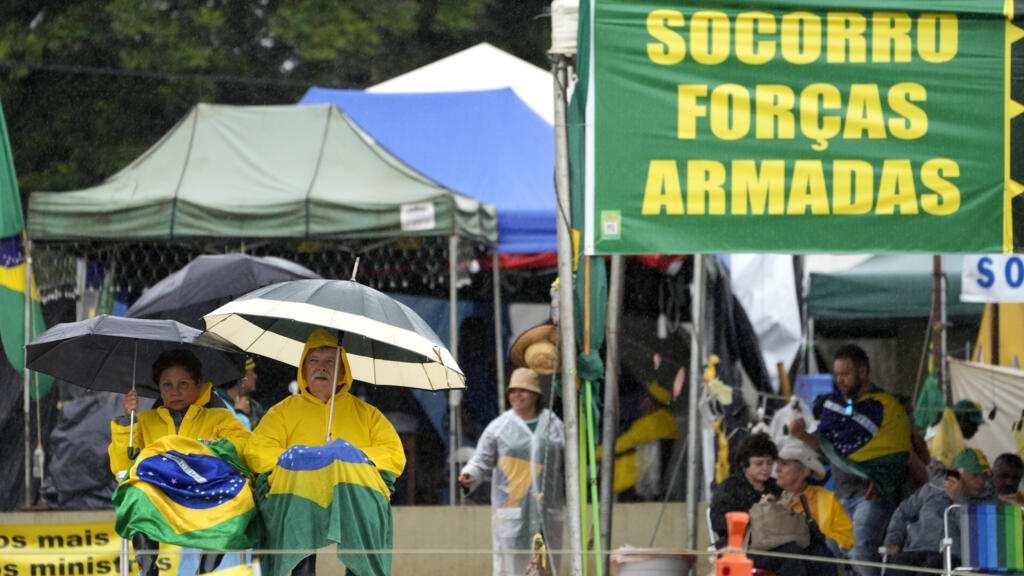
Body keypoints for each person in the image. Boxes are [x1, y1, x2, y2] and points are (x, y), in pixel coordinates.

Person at [244, 329, 405, 576]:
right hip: (299, 498)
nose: (322, 368)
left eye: (330, 361)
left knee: (363, 503)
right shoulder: (282, 412)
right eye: (314, 361)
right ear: (303, 369)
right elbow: (256, 452)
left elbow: (393, 455)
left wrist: (346, 456)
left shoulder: (367, 414)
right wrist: (303, 459)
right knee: (297, 504)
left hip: (351, 497)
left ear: (343, 371)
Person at [108, 348, 252, 576]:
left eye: (183, 384)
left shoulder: (221, 417)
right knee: (135, 492)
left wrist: (203, 451)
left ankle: (204, 572)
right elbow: (122, 467)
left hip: (206, 490)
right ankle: (148, 570)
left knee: (239, 496)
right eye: (167, 385)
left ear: (197, 384)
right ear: (159, 388)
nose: (175, 391)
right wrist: (128, 421)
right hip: (162, 494)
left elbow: (242, 450)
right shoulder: (143, 420)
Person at [790, 344, 910, 576]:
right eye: (837, 375)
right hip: (842, 494)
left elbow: (899, 455)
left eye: (845, 374)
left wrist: (883, 478)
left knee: (861, 551)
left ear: (863, 372)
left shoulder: (888, 407)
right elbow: (828, 449)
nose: (840, 380)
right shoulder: (834, 406)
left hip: (872, 495)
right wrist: (803, 435)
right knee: (829, 553)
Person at [459, 368, 565, 576]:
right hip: (513, 512)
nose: (517, 395)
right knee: (512, 569)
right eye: (512, 391)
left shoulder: (554, 424)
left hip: (548, 511)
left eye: (523, 390)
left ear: (536, 394)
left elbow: (571, 459)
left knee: (547, 567)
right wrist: (470, 474)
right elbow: (481, 460)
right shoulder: (499, 427)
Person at [881, 448, 997, 576]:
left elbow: (975, 534)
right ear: (957, 474)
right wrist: (894, 539)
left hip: (955, 557)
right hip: (916, 549)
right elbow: (903, 512)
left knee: (933, 566)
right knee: (897, 567)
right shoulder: (933, 489)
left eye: (984, 475)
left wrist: (959, 499)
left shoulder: (989, 500)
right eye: (975, 475)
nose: (982, 481)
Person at [710, 432, 814, 576]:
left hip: (776, 543)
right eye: (759, 464)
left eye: (769, 463)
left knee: (818, 553)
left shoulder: (776, 486)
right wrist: (756, 512)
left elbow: (790, 498)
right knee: (791, 555)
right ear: (744, 464)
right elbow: (718, 523)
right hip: (741, 548)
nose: (766, 468)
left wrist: (784, 503)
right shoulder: (729, 487)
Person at [774, 437, 854, 564]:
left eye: (784, 464)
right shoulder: (778, 499)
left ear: (804, 471)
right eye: (777, 464)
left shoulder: (826, 499)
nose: (777, 470)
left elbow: (845, 538)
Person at [596, 380, 678, 500]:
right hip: (649, 481)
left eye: (645, 397)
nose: (641, 400)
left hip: (635, 483)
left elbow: (621, 445)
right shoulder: (667, 421)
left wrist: (594, 454)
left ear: (654, 403)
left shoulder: (651, 423)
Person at [214, 356, 266, 430]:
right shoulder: (217, 401)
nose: (255, 376)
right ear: (242, 377)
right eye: (251, 372)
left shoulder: (254, 405)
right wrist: (240, 413)